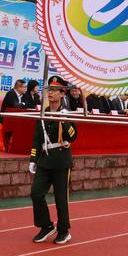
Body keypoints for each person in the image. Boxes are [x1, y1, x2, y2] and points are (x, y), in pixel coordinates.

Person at [29, 76, 77, 244]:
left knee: (60, 198)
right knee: (36, 193)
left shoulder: (66, 113)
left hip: (61, 160)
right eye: (49, 90)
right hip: (45, 159)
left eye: (55, 90)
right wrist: (33, 158)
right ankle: (46, 225)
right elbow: (36, 138)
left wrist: (64, 121)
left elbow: (73, 136)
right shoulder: (44, 112)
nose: (50, 93)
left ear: (62, 94)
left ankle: (64, 230)